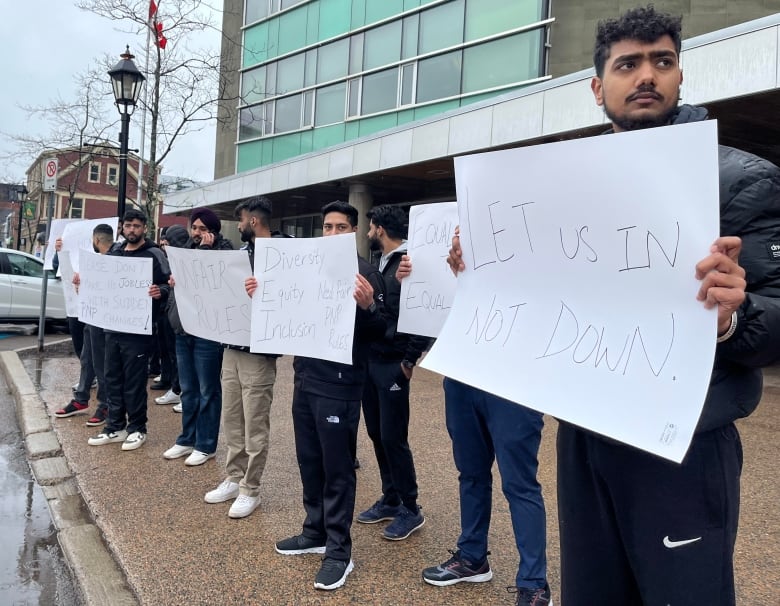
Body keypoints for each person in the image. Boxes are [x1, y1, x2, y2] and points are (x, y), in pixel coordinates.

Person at [449, 6, 780, 605]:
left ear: (681, 77)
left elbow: (776, 322)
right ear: (599, 87)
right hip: (586, 432)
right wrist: (479, 273)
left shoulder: (740, 181)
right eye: (628, 64)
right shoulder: (560, 183)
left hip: (682, 445)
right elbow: (543, 300)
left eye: (662, 61)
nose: (646, 76)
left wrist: (732, 317)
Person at [395, 256, 550, 605]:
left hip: (515, 385)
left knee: (520, 484)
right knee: (471, 474)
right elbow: (429, 307)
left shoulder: (529, 247)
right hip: (463, 376)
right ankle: (472, 557)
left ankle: (534, 583)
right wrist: (411, 280)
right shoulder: (456, 259)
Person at [248, 201, 386, 591]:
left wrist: (369, 306)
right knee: (309, 462)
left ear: (354, 231)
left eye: (341, 227)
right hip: (305, 380)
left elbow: (384, 333)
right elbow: (284, 310)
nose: (332, 233)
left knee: (337, 469)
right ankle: (315, 531)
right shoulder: (306, 265)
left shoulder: (367, 272)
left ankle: (339, 551)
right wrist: (260, 294)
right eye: (327, 226)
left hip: (341, 387)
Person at [203, 196, 282, 518]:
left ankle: (252, 488)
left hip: (260, 352)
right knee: (232, 418)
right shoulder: (238, 256)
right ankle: (234, 478)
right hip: (232, 346)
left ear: (253, 220)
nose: (238, 226)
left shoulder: (284, 252)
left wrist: (264, 288)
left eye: (241, 220)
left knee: (255, 422)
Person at [357, 204, 432, 540]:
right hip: (372, 360)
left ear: (379, 228)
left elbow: (425, 311)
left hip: (393, 363)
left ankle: (410, 508)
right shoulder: (384, 264)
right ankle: (390, 497)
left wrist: (409, 360)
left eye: (371, 228)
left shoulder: (410, 263)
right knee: (376, 432)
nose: (369, 233)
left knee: (393, 437)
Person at [88, 209, 171, 451]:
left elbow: (169, 283)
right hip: (113, 326)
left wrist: (161, 291)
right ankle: (115, 425)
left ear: (144, 228)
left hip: (139, 330)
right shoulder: (115, 251)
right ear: (122, 228)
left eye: (136, 226)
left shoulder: (155, 254)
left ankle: (137, 428)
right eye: (128, 226)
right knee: (112, 378)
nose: (132, 230)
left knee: (134, 381)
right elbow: (101, 280)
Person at [162, 209, 233, 467]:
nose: (198, 233)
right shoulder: (185, 251)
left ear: (213, 230)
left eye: (203, 229)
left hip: (208, 333)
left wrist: (206, 251)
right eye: (195, 228)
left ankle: (206, 444)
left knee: (208, 390)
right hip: (183, 329)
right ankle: (186, 438)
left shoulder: (225, 251)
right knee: (189, 389)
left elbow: (214, 281)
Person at [54, 224, 115, 427]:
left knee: (101, 363)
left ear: (96, 240)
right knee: (87, 359)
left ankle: (105, 404)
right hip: (92, 317)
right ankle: (81, 398)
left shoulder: (116, 259)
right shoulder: (97, 260)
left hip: (105, 321)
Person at [153, 225, 184, 408]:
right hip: (166, 311)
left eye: (168, 240)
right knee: (168, 351)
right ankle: (172, 383)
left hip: (176, 314)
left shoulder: (182, 257)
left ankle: (179, 389)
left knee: (177, 354)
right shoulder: (167, 257)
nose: (164, 243)